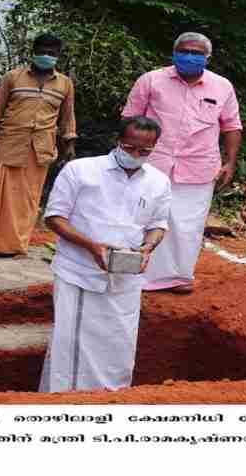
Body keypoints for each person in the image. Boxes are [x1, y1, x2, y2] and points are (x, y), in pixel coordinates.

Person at [39, 116, 171, 392]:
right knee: (70, 347)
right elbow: (54, 217)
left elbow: (158, 224)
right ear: (118, 141)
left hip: (125, 279)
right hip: (79, 274)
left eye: (145, 151)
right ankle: (65, 404)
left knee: (118, 346)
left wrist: (148, 247)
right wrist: (91, 246)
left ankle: (110, 402)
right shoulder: (80, 170)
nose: (136, 155)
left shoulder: (159, 181)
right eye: (130, 147)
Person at [122, 32, 243, 294]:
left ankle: (178, 277)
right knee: (141, 217)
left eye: (197, 53)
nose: (190, 56)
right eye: (185, 51)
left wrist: (230, 163)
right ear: (174, 52)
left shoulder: (222, 86)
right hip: (150, 163)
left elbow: (232, 126)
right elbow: (129, 119)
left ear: (208, 58)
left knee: (187, 225)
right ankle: (135, 274)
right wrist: (126, 156)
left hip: (198, 165)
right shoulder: (151, 80)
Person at [0, 33, 77, 258]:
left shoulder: (65, 84)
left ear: (58, 56)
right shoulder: (13, 77)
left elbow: (68, 117)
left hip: (41, 148)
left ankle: (15, 247)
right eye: (42, 51)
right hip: (8, 143)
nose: (46, 56)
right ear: (33, 51)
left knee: (27, 200)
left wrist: (69, 143)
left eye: (52, 53)